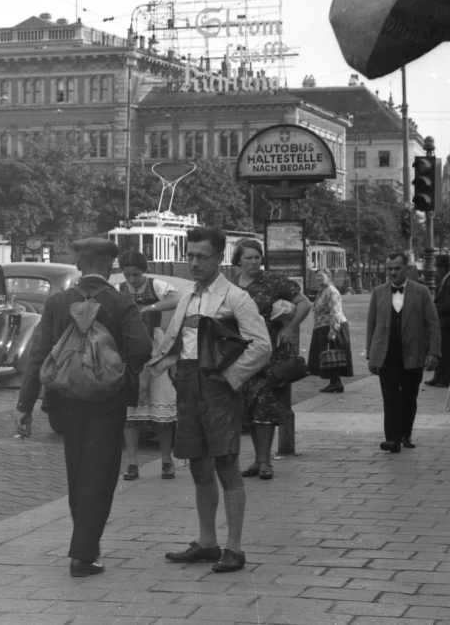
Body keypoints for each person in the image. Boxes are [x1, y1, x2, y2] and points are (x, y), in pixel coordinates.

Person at [16, 238, 151, 577]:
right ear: (111, 266)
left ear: (80, 265)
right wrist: (119, 372)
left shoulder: (58, 302)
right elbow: (142, 348)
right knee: (101, 476)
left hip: (65, 401)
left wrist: (25, 405)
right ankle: (83, 555)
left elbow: (37, 355)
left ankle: (86, 546)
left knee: (77, 473)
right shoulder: (121, 302)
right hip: (108, 402)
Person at [148, 226, 271, 574]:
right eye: (190, 256)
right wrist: (169, 365)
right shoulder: (188, 294)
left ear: (219, 258)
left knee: (226, 466)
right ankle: (207, 542)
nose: (194, 262)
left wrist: (230, 377)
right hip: (187, 387)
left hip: (217, 391)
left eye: (202, 256)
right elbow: (179, 339)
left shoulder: (235, 297)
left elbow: (262, 345)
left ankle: (235, 548)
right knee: (199, 466)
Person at [231, 238, 311, 481]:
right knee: (250, 407)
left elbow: (304, 303)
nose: (254, 262)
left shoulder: (275, 281)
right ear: (238, 261)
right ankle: (257, 459)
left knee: (265, 405)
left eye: (257, 257)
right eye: (249, 258)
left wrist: (290, 328)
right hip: (242, 357)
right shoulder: (232, 286)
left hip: (270, 355)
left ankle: (265, 461)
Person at [366, 252, 441, 452]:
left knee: (409, 397)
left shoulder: (422, 292)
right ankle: (392, 439)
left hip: (412, 353)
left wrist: (433, 353)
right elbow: (371, 326)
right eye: (389, 269)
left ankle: (404, 434)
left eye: (397, 268)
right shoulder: (378, 292)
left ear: (406, 269)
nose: (392, 272)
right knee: (390, 397)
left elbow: (433, 324)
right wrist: (370, 355)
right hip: (386, 354)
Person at [117, 250, 181, 481]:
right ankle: (132, 463)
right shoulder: (119, 289)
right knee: (130, 409)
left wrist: (150, 308)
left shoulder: (156, 285)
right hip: (130, 348)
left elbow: (176, 298)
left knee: (160, 402)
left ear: (144, 270)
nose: (132, 280)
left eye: (136, 274)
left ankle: (167, 460)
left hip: (155, 346)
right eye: (128, 275)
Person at [307, 269, 352, 392]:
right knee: (328, 356)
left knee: (332, 354)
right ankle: (335, 382)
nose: (319, 279)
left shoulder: (331, 291)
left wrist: (333, 331)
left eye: (321, 276)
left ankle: (336, 383)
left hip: (332, 326)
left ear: (329, 276)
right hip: (322, 327)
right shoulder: (322, 291)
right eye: (317, 277)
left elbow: (335, 312)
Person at [427, 254, 450, 388]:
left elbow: (448, 305)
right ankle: (438, 376)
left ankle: (444, 378)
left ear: (443, 268)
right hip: (444, 322)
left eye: (437, 267)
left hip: (447, 323)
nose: (436, 270)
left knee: (445, 351)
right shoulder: (445, 280)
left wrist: (431, 306)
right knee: (442, 349)